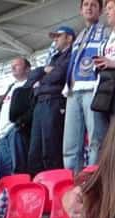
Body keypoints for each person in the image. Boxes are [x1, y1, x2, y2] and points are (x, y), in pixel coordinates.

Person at [62, 0, 110, 173]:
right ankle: (72, 181)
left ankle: (94, 178)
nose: (89, 8)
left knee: (96, 139)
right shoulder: (79, 37)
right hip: (73, 92)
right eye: (86, 5)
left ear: (100, 10)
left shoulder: (106, 31)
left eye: (94, 5)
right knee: (70, 143)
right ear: (80, 10)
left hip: (92, 89)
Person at [27, 26, 75, 176]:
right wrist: (43, 71)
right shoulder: (54, 58)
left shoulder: (72, 54)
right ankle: (38, 185)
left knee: (51, 145)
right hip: (41, 103)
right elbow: (32, 78)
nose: (55, 39)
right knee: (35, 148)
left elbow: (58, 76)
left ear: (69, 38)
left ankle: (56, 183)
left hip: (54, 101)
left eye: (58, 36)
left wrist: (43, 78)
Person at [0, 57, 31, 178]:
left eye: (17, 65)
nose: (13, 68)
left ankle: (20, 194)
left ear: (27, 69)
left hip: (15, 131)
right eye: (12, 65)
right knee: (4, 173)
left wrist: (20, 124)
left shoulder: (30, 85)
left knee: (19, 169)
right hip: (1, 136)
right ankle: (7, 196)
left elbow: (32, 108)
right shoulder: (11, 87)